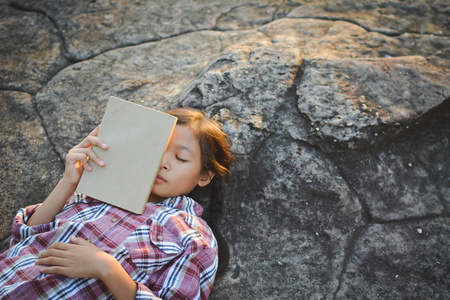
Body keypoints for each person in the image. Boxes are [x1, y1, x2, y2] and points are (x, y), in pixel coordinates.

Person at [0, 107, 235, 299]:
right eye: (157, 150)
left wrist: (108, 269)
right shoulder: (96, 190)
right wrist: (68, 182)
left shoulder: (193, 236)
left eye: (180, 157)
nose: (163, 163)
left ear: (204, 176)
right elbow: (22, 239)